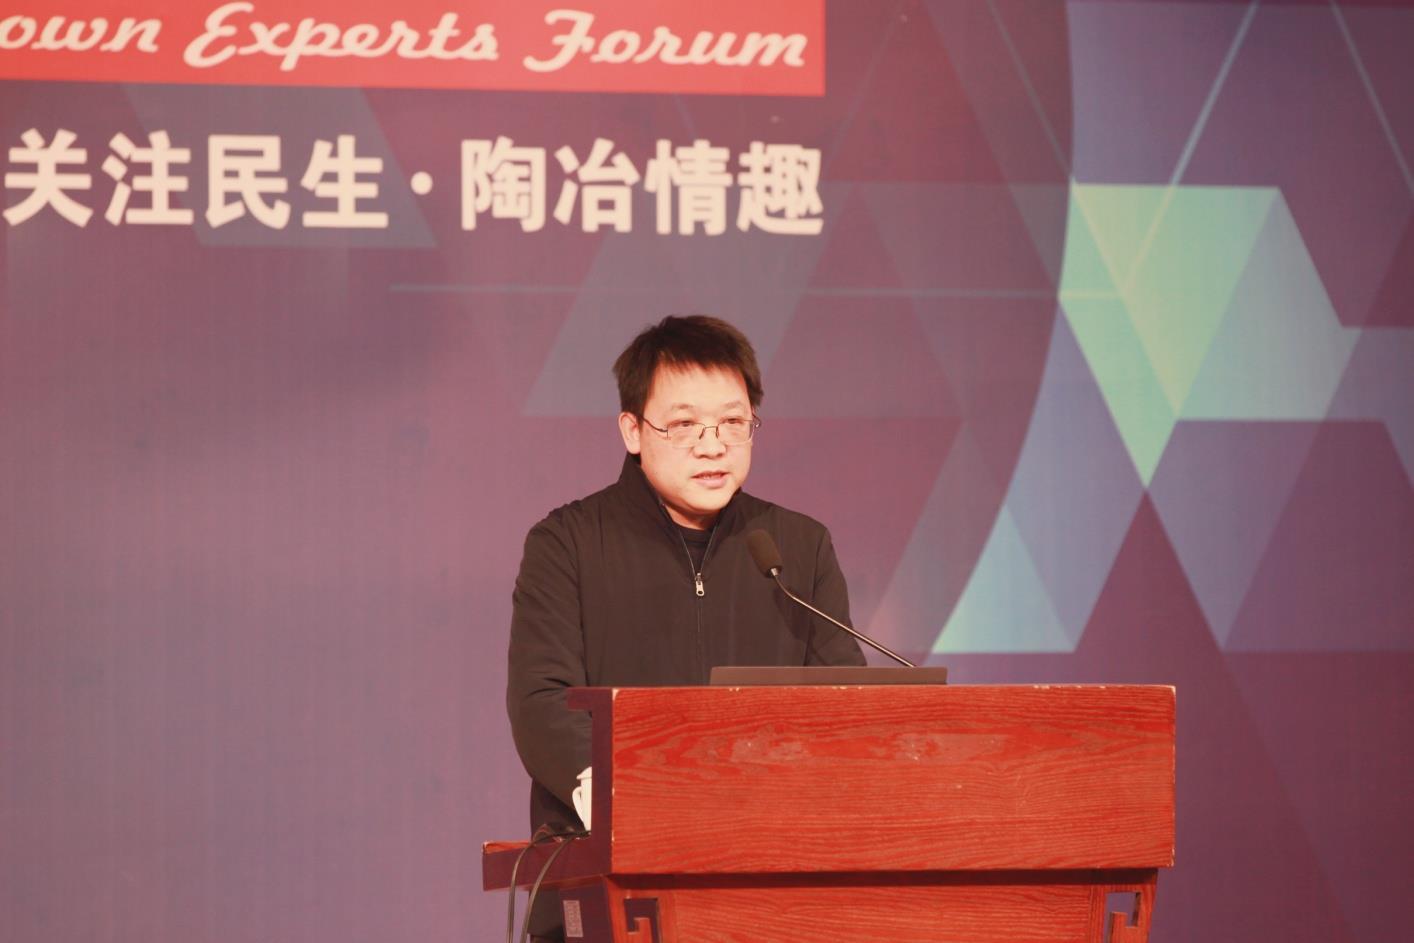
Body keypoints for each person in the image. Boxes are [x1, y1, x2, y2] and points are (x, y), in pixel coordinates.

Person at [506, 315, 866, 940]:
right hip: (607, 886)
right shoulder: (568, 543)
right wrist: (629, 804)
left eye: (732, 422)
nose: (712, 445)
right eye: (684, 425)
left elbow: (843, 707)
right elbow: (542, 702)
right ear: (632, 430)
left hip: (768, 892)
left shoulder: (797, 549)